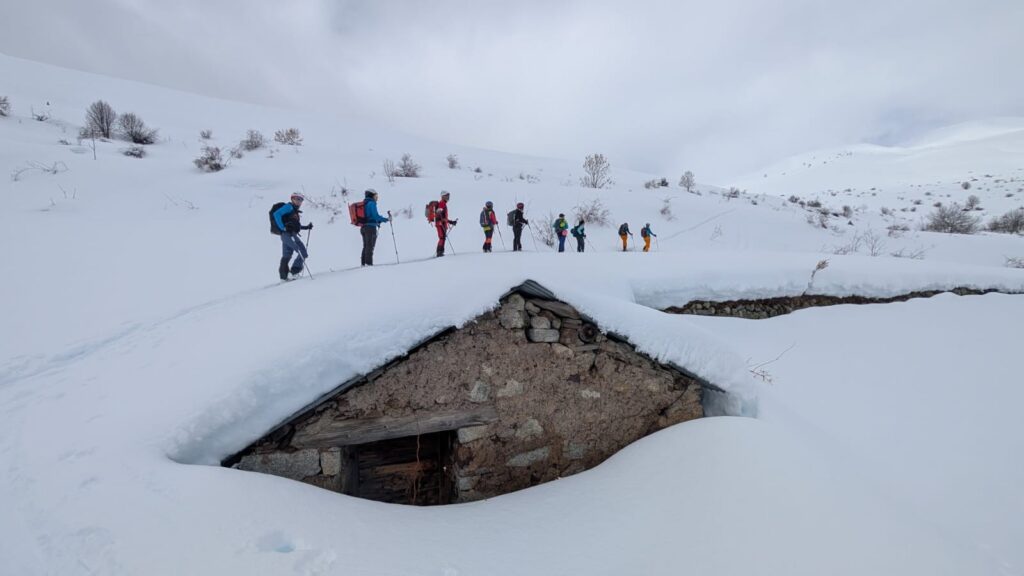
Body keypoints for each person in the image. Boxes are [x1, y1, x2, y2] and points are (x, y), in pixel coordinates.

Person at [272, 192, 313, 280]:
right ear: (292, 199)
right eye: (297, 199)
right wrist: (283, 227)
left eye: (301, 199)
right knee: (302, 251)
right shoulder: (289, 207)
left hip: (287, 235)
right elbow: (276, 214)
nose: (299, 201)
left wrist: (306, 227)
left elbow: (294, 226)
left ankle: (284, 277)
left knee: (287, 255)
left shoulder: (293, 210)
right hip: (288, 234)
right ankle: (294, 272)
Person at [360, 189, 390, 266]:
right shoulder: (371, 203)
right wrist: (386, 219)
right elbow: (375, 216)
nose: (377, 198)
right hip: (370, 228)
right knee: (370, 247)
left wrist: (377, 221)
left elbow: (370, 216)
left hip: (363, 227)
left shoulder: (364, 203)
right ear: (371, 195)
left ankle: (363, 264)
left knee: (366, 246)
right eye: (375, 196)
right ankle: (368, 264)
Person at [435, 191, 458, 257]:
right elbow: (439, 214)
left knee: (443, 238)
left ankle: (441, 251)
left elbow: (443, 216)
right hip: (440, 224)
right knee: (442, 238)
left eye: (448, 196)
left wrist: (451, 222)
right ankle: (439, 252)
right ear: (443, 196)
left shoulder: (443, 203)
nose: (448, 197)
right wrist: (450, 222)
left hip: (442, 223)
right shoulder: (442, 203)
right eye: (446, 196)